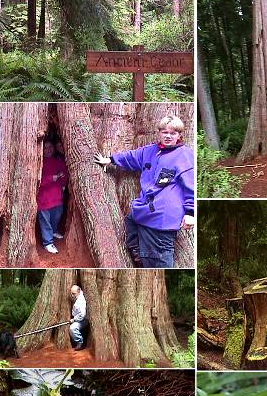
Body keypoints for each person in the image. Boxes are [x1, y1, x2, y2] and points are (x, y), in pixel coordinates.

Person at [94, 116, 196, 267]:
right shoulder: (151, 151)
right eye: (164, 132)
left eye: (173, 133)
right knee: (131, 225)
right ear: (159, 133)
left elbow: (191, 186)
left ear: (180, 135)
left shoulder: (184, 155)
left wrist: (190, 213)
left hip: (162, 218)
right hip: (144, 211)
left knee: (158, 258)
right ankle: (141, 258)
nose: (168, 136)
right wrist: (110, 160)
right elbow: (131, 157)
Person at [37, 139, 69, 254]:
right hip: (44, 198)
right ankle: (48, 242)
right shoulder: (38, 163)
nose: (48, 150)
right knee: (45, 221)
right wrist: (52, 178)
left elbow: (64, 173)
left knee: (56, 216)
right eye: (45, 148)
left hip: (57, 197)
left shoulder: (57, 161)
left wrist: (63, 182)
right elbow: (37, 180)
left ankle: (54, 231)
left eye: (50, 147)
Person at [69, 285, 88, 351]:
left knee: (73, 328)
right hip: (78, 318)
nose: (72, 295)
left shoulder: (81, 301)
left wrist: (74, 319)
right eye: (71, 293)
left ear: (79, 291)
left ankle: (80, 342)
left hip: (83, 320)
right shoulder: (78, 296)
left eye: (74, 293)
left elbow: (82, 315)